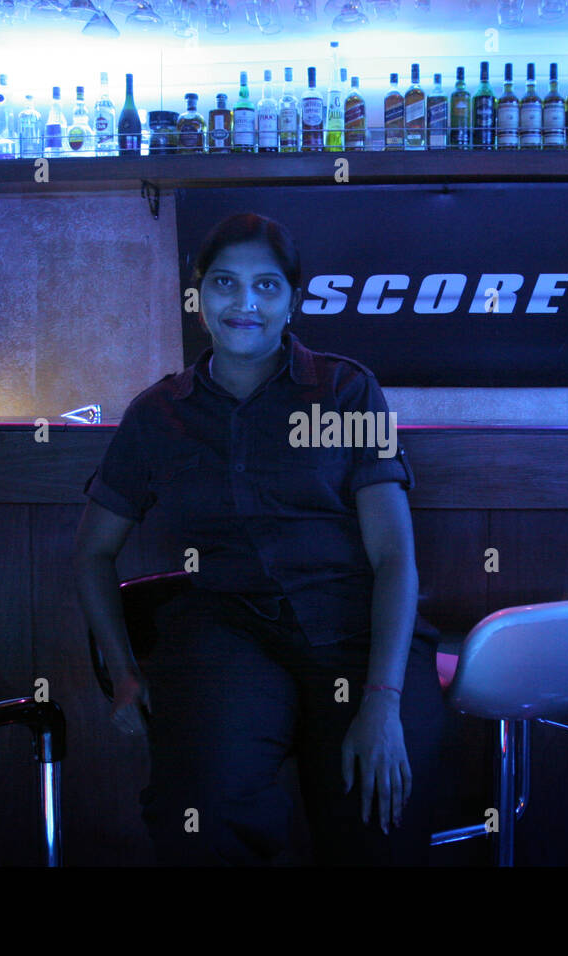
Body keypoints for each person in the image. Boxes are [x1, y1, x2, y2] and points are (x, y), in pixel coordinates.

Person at [73, 212, 445, 865]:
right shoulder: (159, 415)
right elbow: (93, 552)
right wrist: (125, 674)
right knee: (198, 812)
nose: (245, 304)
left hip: (359, 636)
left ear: (293, 298)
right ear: (198, 297)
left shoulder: (346, 391)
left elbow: (395, 558)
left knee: (379, 818)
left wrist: (383, 703)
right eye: (225, 283)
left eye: (267, 286)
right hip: (231, 633)